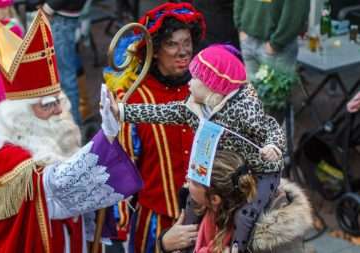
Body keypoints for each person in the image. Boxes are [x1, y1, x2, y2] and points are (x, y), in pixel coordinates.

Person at [0, 11, 142, 253]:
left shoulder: (49, 138)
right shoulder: (5, 156)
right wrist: (106, 136)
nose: (59, 110)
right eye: (47, 104)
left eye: (58, 100)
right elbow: (63, 189)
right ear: (20, 114)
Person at [112, 44, 286, 252]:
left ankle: (237, 247)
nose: (189, 82)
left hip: (261, 171)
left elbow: (271, 126)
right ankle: (186, 243)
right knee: (190, 203)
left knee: (245, 216)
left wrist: (273, 145)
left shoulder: (244, 111)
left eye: (195, 79)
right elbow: (163, 112)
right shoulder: (195, 107)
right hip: (221, 171)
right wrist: (123, 111)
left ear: (211, 87)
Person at [103, 3, 206, 252]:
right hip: (157, 227)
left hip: (207, 221)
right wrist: (118, 233)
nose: (183, 52)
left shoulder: (204, 90)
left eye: (187, 42)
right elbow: (121, 169)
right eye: (172, 44)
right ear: (155, 51)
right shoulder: (135, 99)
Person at [159, 151, 313, 253]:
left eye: (194, 181)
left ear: (214, 199)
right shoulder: (198, 205)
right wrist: (164, 243)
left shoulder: (273, 235)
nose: (187, 179)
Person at [234, 0, 309, 81]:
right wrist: (239, 26)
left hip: (276, 48)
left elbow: (295, 14)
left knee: (275, 92)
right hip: (248, 39)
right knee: (252, 90)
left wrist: (276, 43)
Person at [42, 0, 87, 126]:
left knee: (65, 79)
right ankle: (72, 124)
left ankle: (74, 126)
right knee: (64, 75)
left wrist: (47, 8)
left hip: (61, 17)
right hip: (63, 16)